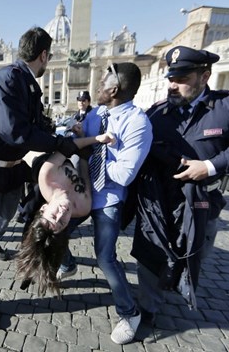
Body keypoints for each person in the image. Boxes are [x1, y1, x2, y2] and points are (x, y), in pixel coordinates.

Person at [129, 46, 229, 328]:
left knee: (194, 253)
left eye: (182, 78)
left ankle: (177, 282)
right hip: (158, 202)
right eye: (171, 77)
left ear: (204, 76)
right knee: (149, 255)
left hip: (201, 203)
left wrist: (208, 166)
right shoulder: (157, 113)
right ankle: (148, 307)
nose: (173, 84)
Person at [0, 26, 79, 329]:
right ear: (44, 55)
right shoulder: (8, 79)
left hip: (14, 171)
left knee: (1, 226)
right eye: (49, 57)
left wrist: (61, 135)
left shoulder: (27, 84)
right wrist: (57, 144)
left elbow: (37, 125)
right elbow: (15, 131)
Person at [55, 62, 152, 345]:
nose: (96, 88)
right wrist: (78, 135)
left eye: (101, 84)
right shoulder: (97, 114)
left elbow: (124, 174)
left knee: (105, 258)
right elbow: (81, 142)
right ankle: (68, 263)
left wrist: (97, 153)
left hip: (107, 197)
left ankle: (129, 312)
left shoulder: (137, 123)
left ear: (114, 89)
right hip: (80, 188)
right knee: (56, 230)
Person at [15, 130, 116, 297]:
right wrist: (84, 154)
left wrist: (96, 138)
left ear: (45, 208)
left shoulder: (47, 177)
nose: (62, 213)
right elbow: (84, 170)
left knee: (32, 225)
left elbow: (67, 146)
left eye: (55, 215)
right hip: (51, 186)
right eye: (62, 221)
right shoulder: (83, 206)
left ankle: (42, 263)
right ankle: (37, 265)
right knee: (49, 238)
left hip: (40, 165)